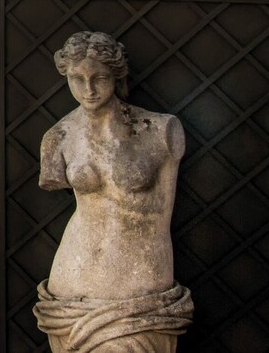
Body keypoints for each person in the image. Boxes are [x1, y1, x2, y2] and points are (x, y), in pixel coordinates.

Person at [33, 31, 193, 352]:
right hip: (74, 270)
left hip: (140, 272)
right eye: (77, 79)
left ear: (116, 75)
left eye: (99, 78)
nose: (88, 89)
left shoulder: (161, 130)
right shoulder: (58, 137)